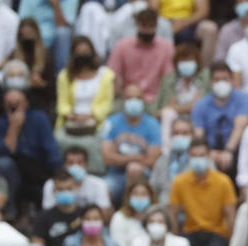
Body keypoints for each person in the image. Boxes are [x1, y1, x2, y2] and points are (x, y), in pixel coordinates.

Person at [169, 138, 236, 246]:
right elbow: (172, 214)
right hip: (191, 231)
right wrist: (173, 238)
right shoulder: (180, 181)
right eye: (194, 156)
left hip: (216, 231)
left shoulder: (223, 181)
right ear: (189, 158)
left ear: (208, 157)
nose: (198, 159)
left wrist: (232, 242)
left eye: (202, 155)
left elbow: (231, 216)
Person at [54, 36, 114, 172]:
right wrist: (70, 115)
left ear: (93, 52)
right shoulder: (64, 75)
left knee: (94, 143)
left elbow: (107, 103)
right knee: (59, 139)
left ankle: (95, 174)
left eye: (86, 51)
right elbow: (62, 103)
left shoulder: (105, 75)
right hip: (71, 120)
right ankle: (63, 174)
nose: (82, 55)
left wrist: (91, 115)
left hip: (97, 121)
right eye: (79, 52)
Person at [99, 82, 161, 202]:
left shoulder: (153, 124)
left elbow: (152, 161)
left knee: (134, 169)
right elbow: (107, 158)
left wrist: (122, 159)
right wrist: (136, 157)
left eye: (137, 98)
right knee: (102, 189)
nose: (133, 102)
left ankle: (129, 209)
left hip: (144, 177)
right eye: (129, 98)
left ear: (144, 101)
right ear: (123, 100)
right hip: (116, 175)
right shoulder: (111, 122)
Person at [192, 62, 248, 173]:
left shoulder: (243, 98)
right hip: (210, 150)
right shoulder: (201, 105)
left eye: (225, 79)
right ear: (211, 82)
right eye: (217, 79)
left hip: (236, 148)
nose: (221, 82)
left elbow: (240, 126)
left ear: (232, 80)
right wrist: (209, 152)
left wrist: (229, 151)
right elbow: (199, 134)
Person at [106, 9, 174, 105]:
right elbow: (112, 75)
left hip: (155, 100)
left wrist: (166, 104)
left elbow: (168, 79)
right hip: (127, 98)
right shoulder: (122, 46)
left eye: (151, 26)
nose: (147, 30)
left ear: (156, 26)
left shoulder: (165, 47)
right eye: (144, 26)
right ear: (137, 24)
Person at [152, 41, 210, 141]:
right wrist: (189, 107)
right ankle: (165, 151)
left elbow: (203, 106)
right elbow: (165, 108)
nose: (186, 63)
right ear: (177, 63)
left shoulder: (205, 77)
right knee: (168, 114)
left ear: (197, 61)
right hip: (175, 121)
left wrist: (177, 108)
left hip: (197, 120)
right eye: (183, 60)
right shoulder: (169, 80)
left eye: (190, 59)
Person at [42, 145, 109, 211]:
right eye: (70, 163)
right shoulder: (51, 184)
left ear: (86, 164)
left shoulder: (99, 184)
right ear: (64, 165)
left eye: (80, 163)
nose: (75, 166)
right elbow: (46, 215)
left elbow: (104, 214)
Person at [111, 179, 155, 246]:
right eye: (135, 194)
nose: (140, 197)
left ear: (151, 197)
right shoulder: (119, 218)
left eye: (143, 194)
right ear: (129, 197)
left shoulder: (157, 217)